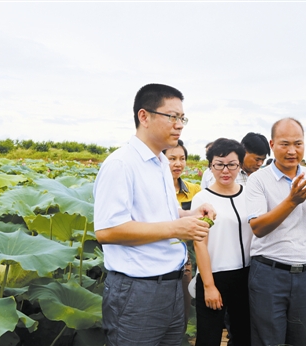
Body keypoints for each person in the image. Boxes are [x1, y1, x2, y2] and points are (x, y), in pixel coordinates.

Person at [93, 83, 215, 346]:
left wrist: (190, 215)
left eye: (182, 118)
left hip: (171, 286)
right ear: (144, 116)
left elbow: (160, 215)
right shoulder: (121, 164)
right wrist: (175, 229)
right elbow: (106, 232)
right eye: (172, 116)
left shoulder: (160, 161)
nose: (179, 124)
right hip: (137, 291)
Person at [246, 117, 306, 346]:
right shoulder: (258, 180)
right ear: (272, 144)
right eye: (284, 144)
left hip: (305, 274)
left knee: (298, 338)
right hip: (269, 272)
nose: (291, 151)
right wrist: (292, 201)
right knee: (269, 339)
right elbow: (258, 228)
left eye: (298, 144)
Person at [192, 138, 252, 346]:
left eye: (232, 164)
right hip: (214, 275)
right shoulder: (202, 199)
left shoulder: (250, 195)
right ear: (211, 166)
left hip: (246, 275)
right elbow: (199, 243)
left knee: (243, 336)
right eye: (219, 164)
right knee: (209, 337)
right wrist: (209, 286)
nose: (225, 170)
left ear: (240, 165)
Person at [163, 139, 202, 329]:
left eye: (182, 158)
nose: (178, 163)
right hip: (159, 256)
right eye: (172, 158)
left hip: (186, 258)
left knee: (182, 313)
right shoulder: (156, 190)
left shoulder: (195, 191)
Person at [202, 132, 270, 187]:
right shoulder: (224, 174)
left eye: (263, 160)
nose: (260, 163)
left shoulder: (262, 177)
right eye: (257, 159)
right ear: (244, 152)